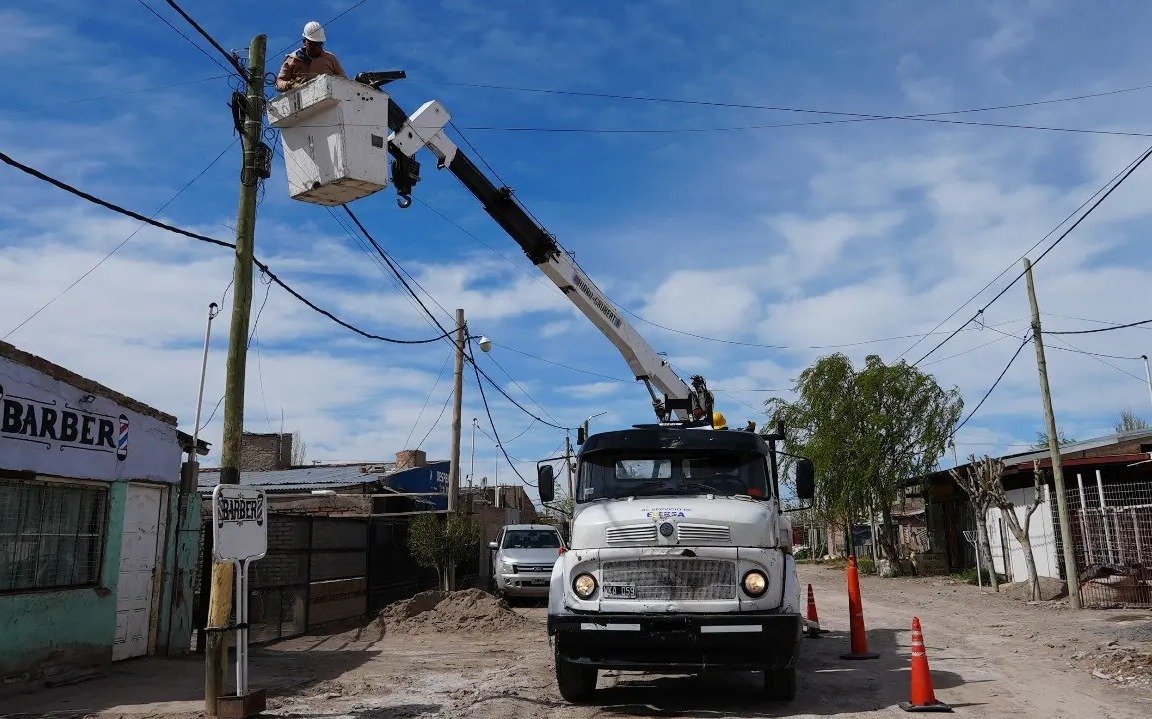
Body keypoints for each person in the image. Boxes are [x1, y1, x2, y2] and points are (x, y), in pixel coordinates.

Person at [275, 21, 348, 92]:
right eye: (312, 43)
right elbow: (279, 83)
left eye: (319, 44)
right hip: (302, 102)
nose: (316, 47)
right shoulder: (292, 59)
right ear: (304, 42)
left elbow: (344, 82)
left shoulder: (330, 59)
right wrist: (291, 84)